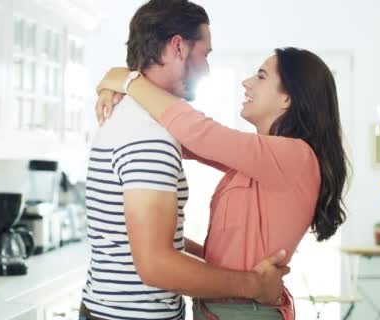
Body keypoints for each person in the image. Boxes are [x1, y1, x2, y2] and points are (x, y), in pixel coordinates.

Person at [94, 47, 349, 319]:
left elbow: (196, 132)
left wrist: (128, 81)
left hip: (245, 312)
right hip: (229, 309)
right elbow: (179, 139)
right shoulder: (265, 162)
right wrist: (125, 97)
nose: (246, 82)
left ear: (287, 97)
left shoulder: (294, 157)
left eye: (261, 77)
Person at [80, 1, 290, 320]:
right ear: (178, 46)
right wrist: (254, 285)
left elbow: (156, 242)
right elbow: (156, 265)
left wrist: (218, 259)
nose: (206, 68)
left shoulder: (132, 117)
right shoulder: (149, 135)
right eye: (205, 54)